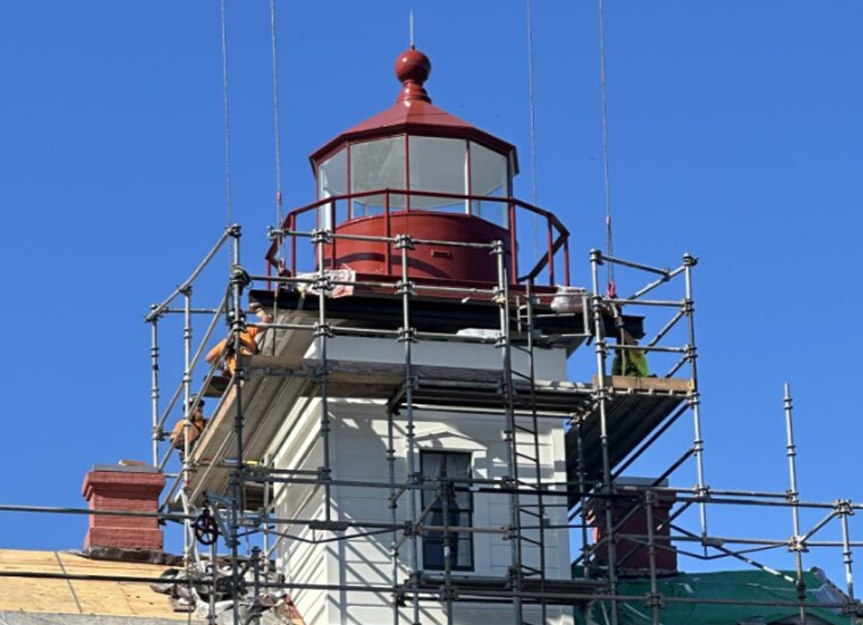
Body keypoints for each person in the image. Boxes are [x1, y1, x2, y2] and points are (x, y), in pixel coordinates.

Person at [205, 302, 273, 375]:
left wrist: (222, 365)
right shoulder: (247, 331)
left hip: (238, 373)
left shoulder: (225, 342)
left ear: (229, 325)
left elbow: (209, 358)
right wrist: (258, 310)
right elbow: (266, 322)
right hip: (252, 364)